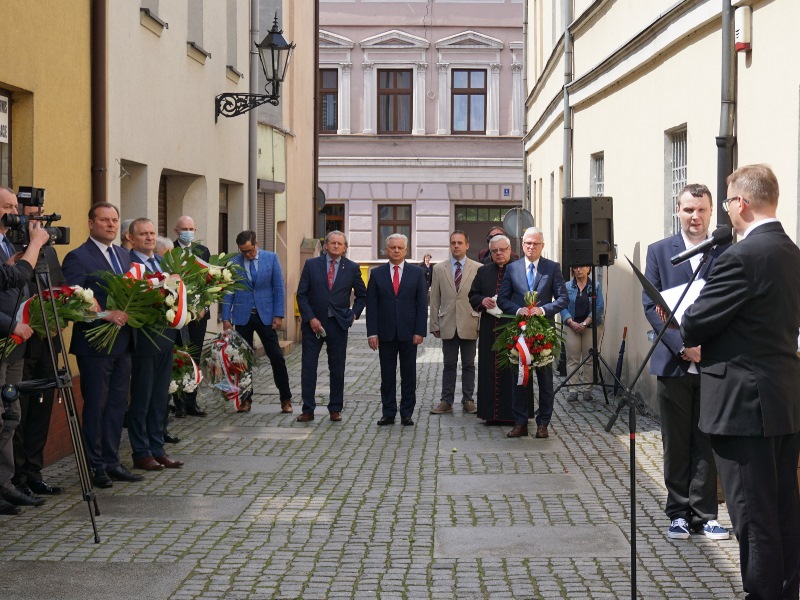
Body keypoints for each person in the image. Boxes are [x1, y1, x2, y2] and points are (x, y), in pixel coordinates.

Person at [681, 164, 800, 599]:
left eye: (729, 201)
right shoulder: (791, 251)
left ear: (742, 203)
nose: (728, 210)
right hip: (782, 398)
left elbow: (694, 322)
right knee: (783, 509)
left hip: (743, 406)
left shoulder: (741, 257)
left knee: (752, 516)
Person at [643, 183, 729, 542]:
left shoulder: (726, 252)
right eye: (689, 209)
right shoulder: (660, 251)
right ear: (677, 210)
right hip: (673, 363)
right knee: (676, 442)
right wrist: (683, 346)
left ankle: (706, 514)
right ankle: (678, 512)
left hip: (713, 362)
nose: (695, 216)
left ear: (711, 212)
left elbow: (731, 305)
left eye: (702, 210)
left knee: (707, 440)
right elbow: (651, 307)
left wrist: (706, 347)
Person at [62, 202, 143, 488]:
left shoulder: (123, 255)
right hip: (94, 346)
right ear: (91, 223)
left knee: (117, 406)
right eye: (104, 220)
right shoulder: (78, 257)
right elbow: (70, 302)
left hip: (124, 342)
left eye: (114, 220)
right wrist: (104, 314)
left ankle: (112, 462)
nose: (110, 225)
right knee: (96, 406)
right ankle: (94, 466)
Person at [0, 186, 52, 515]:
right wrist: (34, 245)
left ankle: (5, 483)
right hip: (6, 335)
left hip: (13, 345)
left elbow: (10, 278)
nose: (13, 213)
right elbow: (16, 276)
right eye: (6, 206)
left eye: (14, 207)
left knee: (11, 415)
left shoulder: (6, 242)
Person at [12, 198, 68, 498]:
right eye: (32, 217)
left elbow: (59, 289)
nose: (38, 223)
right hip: (20, 342)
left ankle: (34, 472)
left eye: (41, 217)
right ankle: (17, 476)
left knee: (42, 409)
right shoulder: (12, 249)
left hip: (47, 342)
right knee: (19, 412)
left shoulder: (49, 251)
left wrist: (63, 316)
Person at [497, 226, 568, 439]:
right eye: (528, 243)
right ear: (522, 244)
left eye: (535, 244)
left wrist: (543, 310)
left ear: (542, 246)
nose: (531, 247)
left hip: (543, 333)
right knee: (520, 380)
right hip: (519, 333)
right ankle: (520, 423)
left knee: (545, 381)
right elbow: (503, 299)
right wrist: (517, 310)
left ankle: (543, 423)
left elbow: (563, 298)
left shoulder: (552, 268)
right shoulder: (512, 268)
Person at [126, 219, 183, 471]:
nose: (149, 238)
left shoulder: (162, 262)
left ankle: (158, 449)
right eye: (143, 234)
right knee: (142, 398)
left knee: (160, 397)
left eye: (152, 233)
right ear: (131, 238)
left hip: (165, 338)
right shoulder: (128, 264)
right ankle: (141, 452)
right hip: (143, 339)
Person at [296, 231, 366, 422]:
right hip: (313, 325)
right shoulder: (312, 265)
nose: (335, 246)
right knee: (308, 367)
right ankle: (308, 409)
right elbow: (302, 294)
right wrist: (311, 318)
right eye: (332, 243)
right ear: (326, 245)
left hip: (338, 323)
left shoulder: (351, 268)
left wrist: (353, 314)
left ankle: (335, 408)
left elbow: (362, 295)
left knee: (337, 367)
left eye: (339, 244)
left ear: (345, 248)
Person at [221, 230, 292, 413]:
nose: (248, 255)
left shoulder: (271, 258)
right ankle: (245, 399)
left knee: (276, 356)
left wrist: (278, 315)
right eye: (243, 251)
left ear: (256, 244)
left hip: (265, 315)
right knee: (242, 359)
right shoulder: (233, 263)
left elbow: (278, 288)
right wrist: (226, 318)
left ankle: (285, 399)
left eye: (250, 250)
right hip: (242, 315)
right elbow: (228, 291)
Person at [366, 234, 427, 426]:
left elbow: (422, 304)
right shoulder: (376, 274)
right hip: (385, 333)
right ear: (386, 250)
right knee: (387, 376)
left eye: (400, 247)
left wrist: (420, 331)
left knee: (409, 375)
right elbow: (372, 305)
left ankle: (407, 413)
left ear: (406, 250)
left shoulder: (417, 273)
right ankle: (388, 413)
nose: (396, 250)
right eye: (392, 247)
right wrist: (372, 333)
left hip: (409, 333)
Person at [468, 234, 525, 423]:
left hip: (514, 327)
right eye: (494, 251)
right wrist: (482, 300)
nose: (499, 253)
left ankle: (515, 414)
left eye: (502, 249)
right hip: (490, 329)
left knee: (513, 371)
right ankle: (490, 414)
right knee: (489, 370)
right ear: (490, 253)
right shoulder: (483, 271)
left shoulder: (520, 269)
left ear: (510, 250)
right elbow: (472, 295)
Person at [429, 231, 481, 415]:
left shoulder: (478, 268)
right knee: (449, 364)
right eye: (453, 243)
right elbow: (434, 299)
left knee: (469, 364)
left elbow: (481, 298)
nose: (456, 246)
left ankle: (468, 400)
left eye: (460, 243)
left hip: (470, 322)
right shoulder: (439, 269)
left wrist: (481, 323)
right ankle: (446, 400)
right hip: (448, 323)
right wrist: (434, 323)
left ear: (467, 245)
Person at [172, 216, 210, 418]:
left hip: (199, 315)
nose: (188, 232)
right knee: (179, 356)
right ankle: (178, 402)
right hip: (177, 313)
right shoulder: (169, 250)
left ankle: (191, 401)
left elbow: (209, 281)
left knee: (194, 357)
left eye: (191, 229)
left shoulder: (202, 251)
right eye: (184, 228)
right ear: (176, 231)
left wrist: (204, 305)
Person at [560, 265, 604, 402]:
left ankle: (587, 390)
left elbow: (599, 306)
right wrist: (571, 322)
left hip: (590, 326)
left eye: (582, 267)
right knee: (572, 358)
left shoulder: (595, 286)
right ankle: (573, 390)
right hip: (571, 326)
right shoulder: (567, 286)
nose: (578, 270)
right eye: (575, 267)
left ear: (589, 269)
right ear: (572, 270)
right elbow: (562, 306)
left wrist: (585, 322)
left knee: (589, 358)